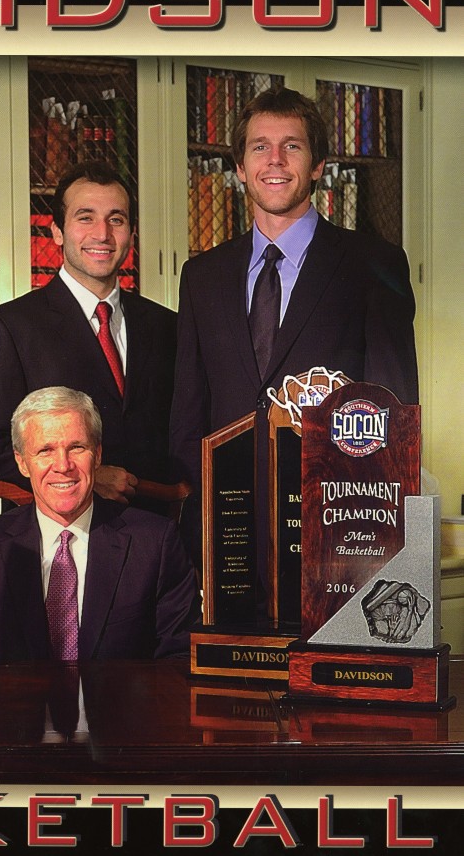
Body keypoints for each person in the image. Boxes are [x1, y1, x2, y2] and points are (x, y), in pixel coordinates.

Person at [170, 86, 419, 565]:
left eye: (293, 146)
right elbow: (189, 417)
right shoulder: (201, 276)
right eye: (260, 147)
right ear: (240, 168)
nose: (276, 161)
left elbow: (396, 413)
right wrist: (212, 513)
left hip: (338, 538)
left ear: (319, 165)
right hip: (229, 538)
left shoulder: (374, 264)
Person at [0, 386, 200, 664]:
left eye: (77, 447)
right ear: (22, 462)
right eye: (45, 450)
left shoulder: (155, 542)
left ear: (98, 455)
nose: (63, 465)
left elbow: (180, 658)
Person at [0, 161, 178, 506]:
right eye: (85, 218)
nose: (102, 234)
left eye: (116, 219)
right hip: (56, 538)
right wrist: (85, 476)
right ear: (57, 231)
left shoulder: (167, 326)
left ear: (132, 233)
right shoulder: (11, 326)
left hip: (157, 535)